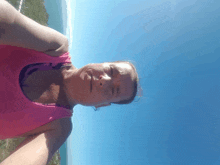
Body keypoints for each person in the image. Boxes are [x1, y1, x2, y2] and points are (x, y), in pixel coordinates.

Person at [0, 1, 139, 165]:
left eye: (113, 91)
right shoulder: (56, 48)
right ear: (102, 63)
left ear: (103, 105)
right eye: (110, 71)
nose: (104, 80)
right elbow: (8, 21)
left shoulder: (59, 127)